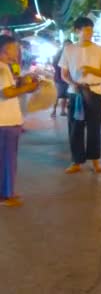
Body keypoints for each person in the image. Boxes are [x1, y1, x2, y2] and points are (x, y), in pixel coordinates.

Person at [59, 17, 101, 174]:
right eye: (86, 29)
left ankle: (95, 160)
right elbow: (64, 74)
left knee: (95, 128)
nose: (90, 32)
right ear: (77, 31)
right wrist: (73, 83)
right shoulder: (69, 50)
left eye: (91, 29)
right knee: (75, 127)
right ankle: (77, 161)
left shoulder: (100, 50)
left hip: (94, 92)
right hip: (76, 93)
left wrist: (91, 69)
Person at [0, 35, 39, 207]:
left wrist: (23, 83)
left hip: (9, 121)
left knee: (8, 159)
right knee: (6, 159)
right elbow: (6, 93)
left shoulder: (6, 68)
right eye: (15, 48)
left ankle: (8, 192)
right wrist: (27, 87)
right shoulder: (1, 68)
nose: (18, 51)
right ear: (5, 50)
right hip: (5, 122)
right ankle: (5, 195)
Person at [51, 40, 72, 118]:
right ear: (64, 45)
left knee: (65, 96)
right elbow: (55, 65)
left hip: (66, 78)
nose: (68, 47)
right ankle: (54, 111)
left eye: (70, 45)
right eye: (67, 45)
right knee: (57, 95)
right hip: (59, 78)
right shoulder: (59, 55)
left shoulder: (70, 54)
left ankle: (62, 111)